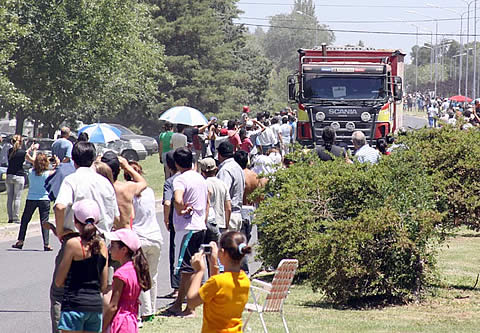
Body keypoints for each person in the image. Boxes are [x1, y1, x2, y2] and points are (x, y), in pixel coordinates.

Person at [50, 141, 119, 333]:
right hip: (101, 243)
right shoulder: (105, 183)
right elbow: (116, 216)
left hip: (77, 241)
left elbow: (60, 206)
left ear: (74, 160)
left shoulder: (72, 180)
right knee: (97, 290)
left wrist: (61, 230)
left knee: (60, 291)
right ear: (94, 159)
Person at [54, 199, 108, 333]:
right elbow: (104, 285)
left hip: (74, 305)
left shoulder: (73, 244)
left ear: (76, 222)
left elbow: (59, 281)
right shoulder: (102, 246)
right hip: (95, 307)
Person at [166, 147, 208, 317]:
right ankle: (179, 304)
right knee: (191, 266)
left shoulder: (179, 180)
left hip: (187, 228)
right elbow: (208, 199)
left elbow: (177, 199)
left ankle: (189, 307)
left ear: (176, 163)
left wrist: (180, 209)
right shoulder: (200, 178)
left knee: (186, 269)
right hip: (199, 226)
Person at [186, 232, 252, 332]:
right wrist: (214, 263)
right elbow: (219, 290)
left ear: (222, 252)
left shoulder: (217, 282)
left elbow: (191, 302)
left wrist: (199, 271)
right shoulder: (244, 279)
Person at [127, 161, 163, 324]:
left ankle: (145, 311)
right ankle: (152, 310)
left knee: (139, 276)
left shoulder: (129, 193)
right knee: (152, 276)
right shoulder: (148, 191)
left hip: (140, 237)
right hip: (155, 236)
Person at [103, 229, 152, 333]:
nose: (110, 249)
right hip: (132, 320)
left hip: (120, 322)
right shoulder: (136, 268)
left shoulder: (120, 274)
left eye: (113, 246)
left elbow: (113, 306)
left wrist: (102, 328)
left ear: (124, 249)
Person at [12, 150, 55, 251]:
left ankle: (20, 240)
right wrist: (55, 162)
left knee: (25, 220)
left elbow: (33, 165)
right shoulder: (48, 173)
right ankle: (46, 243)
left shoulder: (31, 172)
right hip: (44, 199)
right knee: (44, 222)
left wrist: (34, 154)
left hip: (31, 198)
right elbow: (57, 169)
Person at [101, 152, 147, 229]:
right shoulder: (126, 188)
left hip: (108, 232)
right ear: (119, 169)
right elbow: (143, 183)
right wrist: (126, 166)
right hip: (125, 232)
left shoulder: (99, 188)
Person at [198, 157, 232, 239]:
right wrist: (226, 225)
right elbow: (228, 208)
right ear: (216, 169)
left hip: (207, 224)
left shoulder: (203, 185)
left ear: (202, 172)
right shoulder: (223, 184)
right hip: (221, 223)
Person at [162, 151, 180, 298]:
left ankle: (177, 288)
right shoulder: (193, 177)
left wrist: (166, 219)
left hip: (176, 221)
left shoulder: (170, 182)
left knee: (175, 254)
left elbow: (167, 202)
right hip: (194, 221)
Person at [216, 142, 245, 232]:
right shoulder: (237, 167)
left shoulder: (225, 170)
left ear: (219, 155)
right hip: (236, 215)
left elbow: (223, 194)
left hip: (228, 216)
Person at [6, 135, 27, 224]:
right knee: (17, 198)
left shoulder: (9, 151)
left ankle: (10, 217)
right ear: (21, 142)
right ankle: (16, 217)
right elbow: (31, 160)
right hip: (19, 175)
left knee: (10, 198)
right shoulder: (23, 152)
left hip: (9, 174)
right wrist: (33, 151)